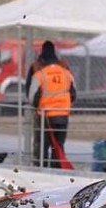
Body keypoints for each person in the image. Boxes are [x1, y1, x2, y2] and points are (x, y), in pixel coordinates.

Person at [31, 40, 76, 168]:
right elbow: (74, 93)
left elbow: (32, 97)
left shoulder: (40, 75)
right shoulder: (66, 73)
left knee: (43, 146)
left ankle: (42, 170)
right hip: (62, 115)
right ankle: (57, 169)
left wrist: (39, 106)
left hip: (45, 115)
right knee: (59, 145)